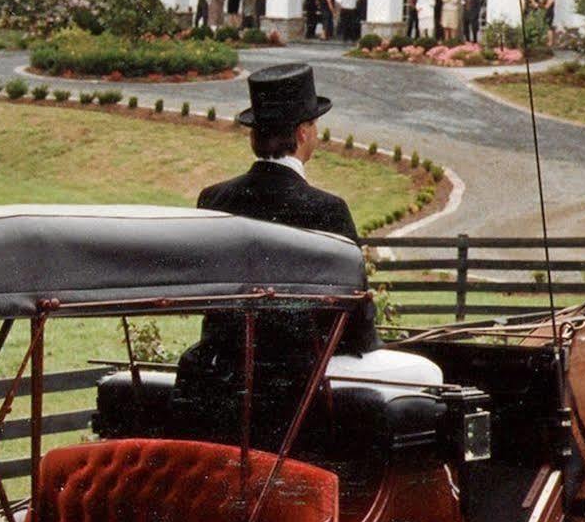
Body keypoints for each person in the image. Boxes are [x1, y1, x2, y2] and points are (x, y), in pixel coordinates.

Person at [177, 66, 440, 436]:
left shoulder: (214, 198)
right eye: (314, 126)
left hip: (226, 364)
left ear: (255, 138)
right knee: (431, 374)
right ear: (303, 133)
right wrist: (361, 347)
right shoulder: (327, 209)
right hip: (300, 370)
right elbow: (357, 310)